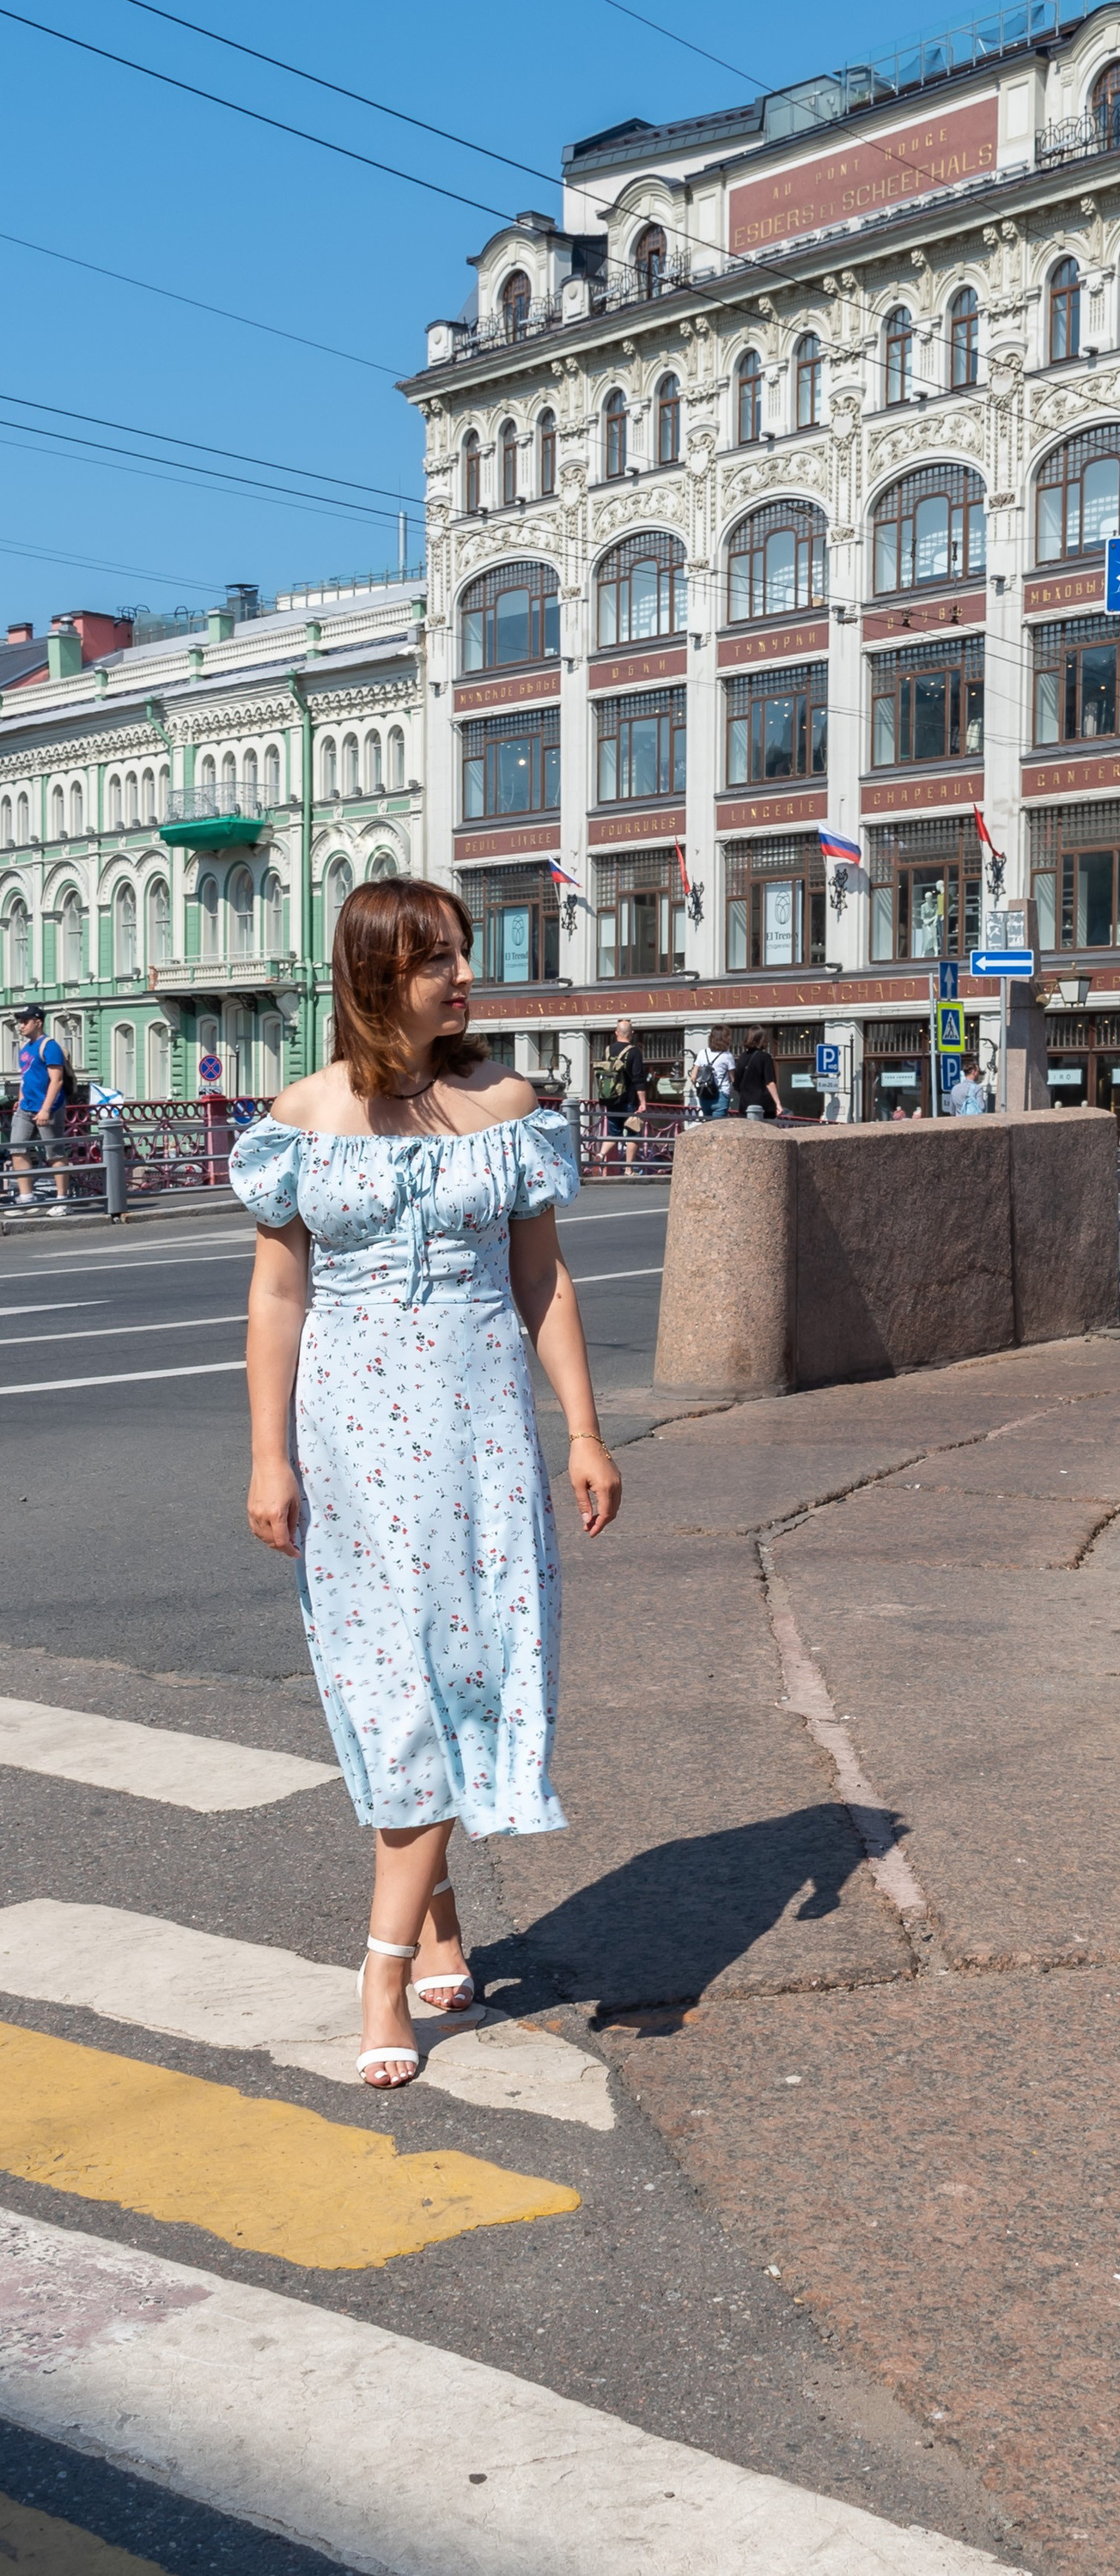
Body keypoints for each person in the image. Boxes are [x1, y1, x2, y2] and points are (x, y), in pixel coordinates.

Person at [234, 879, 621, 2093]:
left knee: (468, 1663)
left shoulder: (504, 1107)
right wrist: (267, 1452)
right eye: (433, 960)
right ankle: (409, 1946)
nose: (461, 975)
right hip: (350, 1439)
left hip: (479, 1432)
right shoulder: (304, 1116)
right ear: (371, 974)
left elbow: (544, 1283)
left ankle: (392, 1959)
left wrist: (585, 1431)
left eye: (461, 953)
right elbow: (276, 1298)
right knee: (391, 1673)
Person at [9, 1005, 67, 1216]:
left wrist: (45, 1109)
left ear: (38, 1022)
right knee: (17, 1149)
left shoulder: (49, 1046)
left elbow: (57, 1080)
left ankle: (63, 1199)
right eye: (20, 1022)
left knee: (55, 1153)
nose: (21, 1026)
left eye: (25, 1021)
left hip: (48, 1108)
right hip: (26, 1107)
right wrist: (21, 1099)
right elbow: (26, 1079)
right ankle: (27, 1198)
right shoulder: (25, 1049)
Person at [594, 1019, 644, 1172]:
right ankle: (629, 1170)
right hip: (629, 1099)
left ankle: (600, 1155)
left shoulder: (608, 1050)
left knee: (613, 1132)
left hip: (611, 1099)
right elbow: (638, 1079)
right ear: (632, 1033)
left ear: (616, 1033)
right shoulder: (634, 1051)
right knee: (633, 1133)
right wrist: (642, 1102)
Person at [730, 1029, 781, 1123]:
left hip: (745, 1106)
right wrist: (778, 1103)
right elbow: (770, 1082)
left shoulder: (742, 1057)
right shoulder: (765, 1057)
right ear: (762, 1040)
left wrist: (744, 1097)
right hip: (764, 1106)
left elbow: (736, 1084)